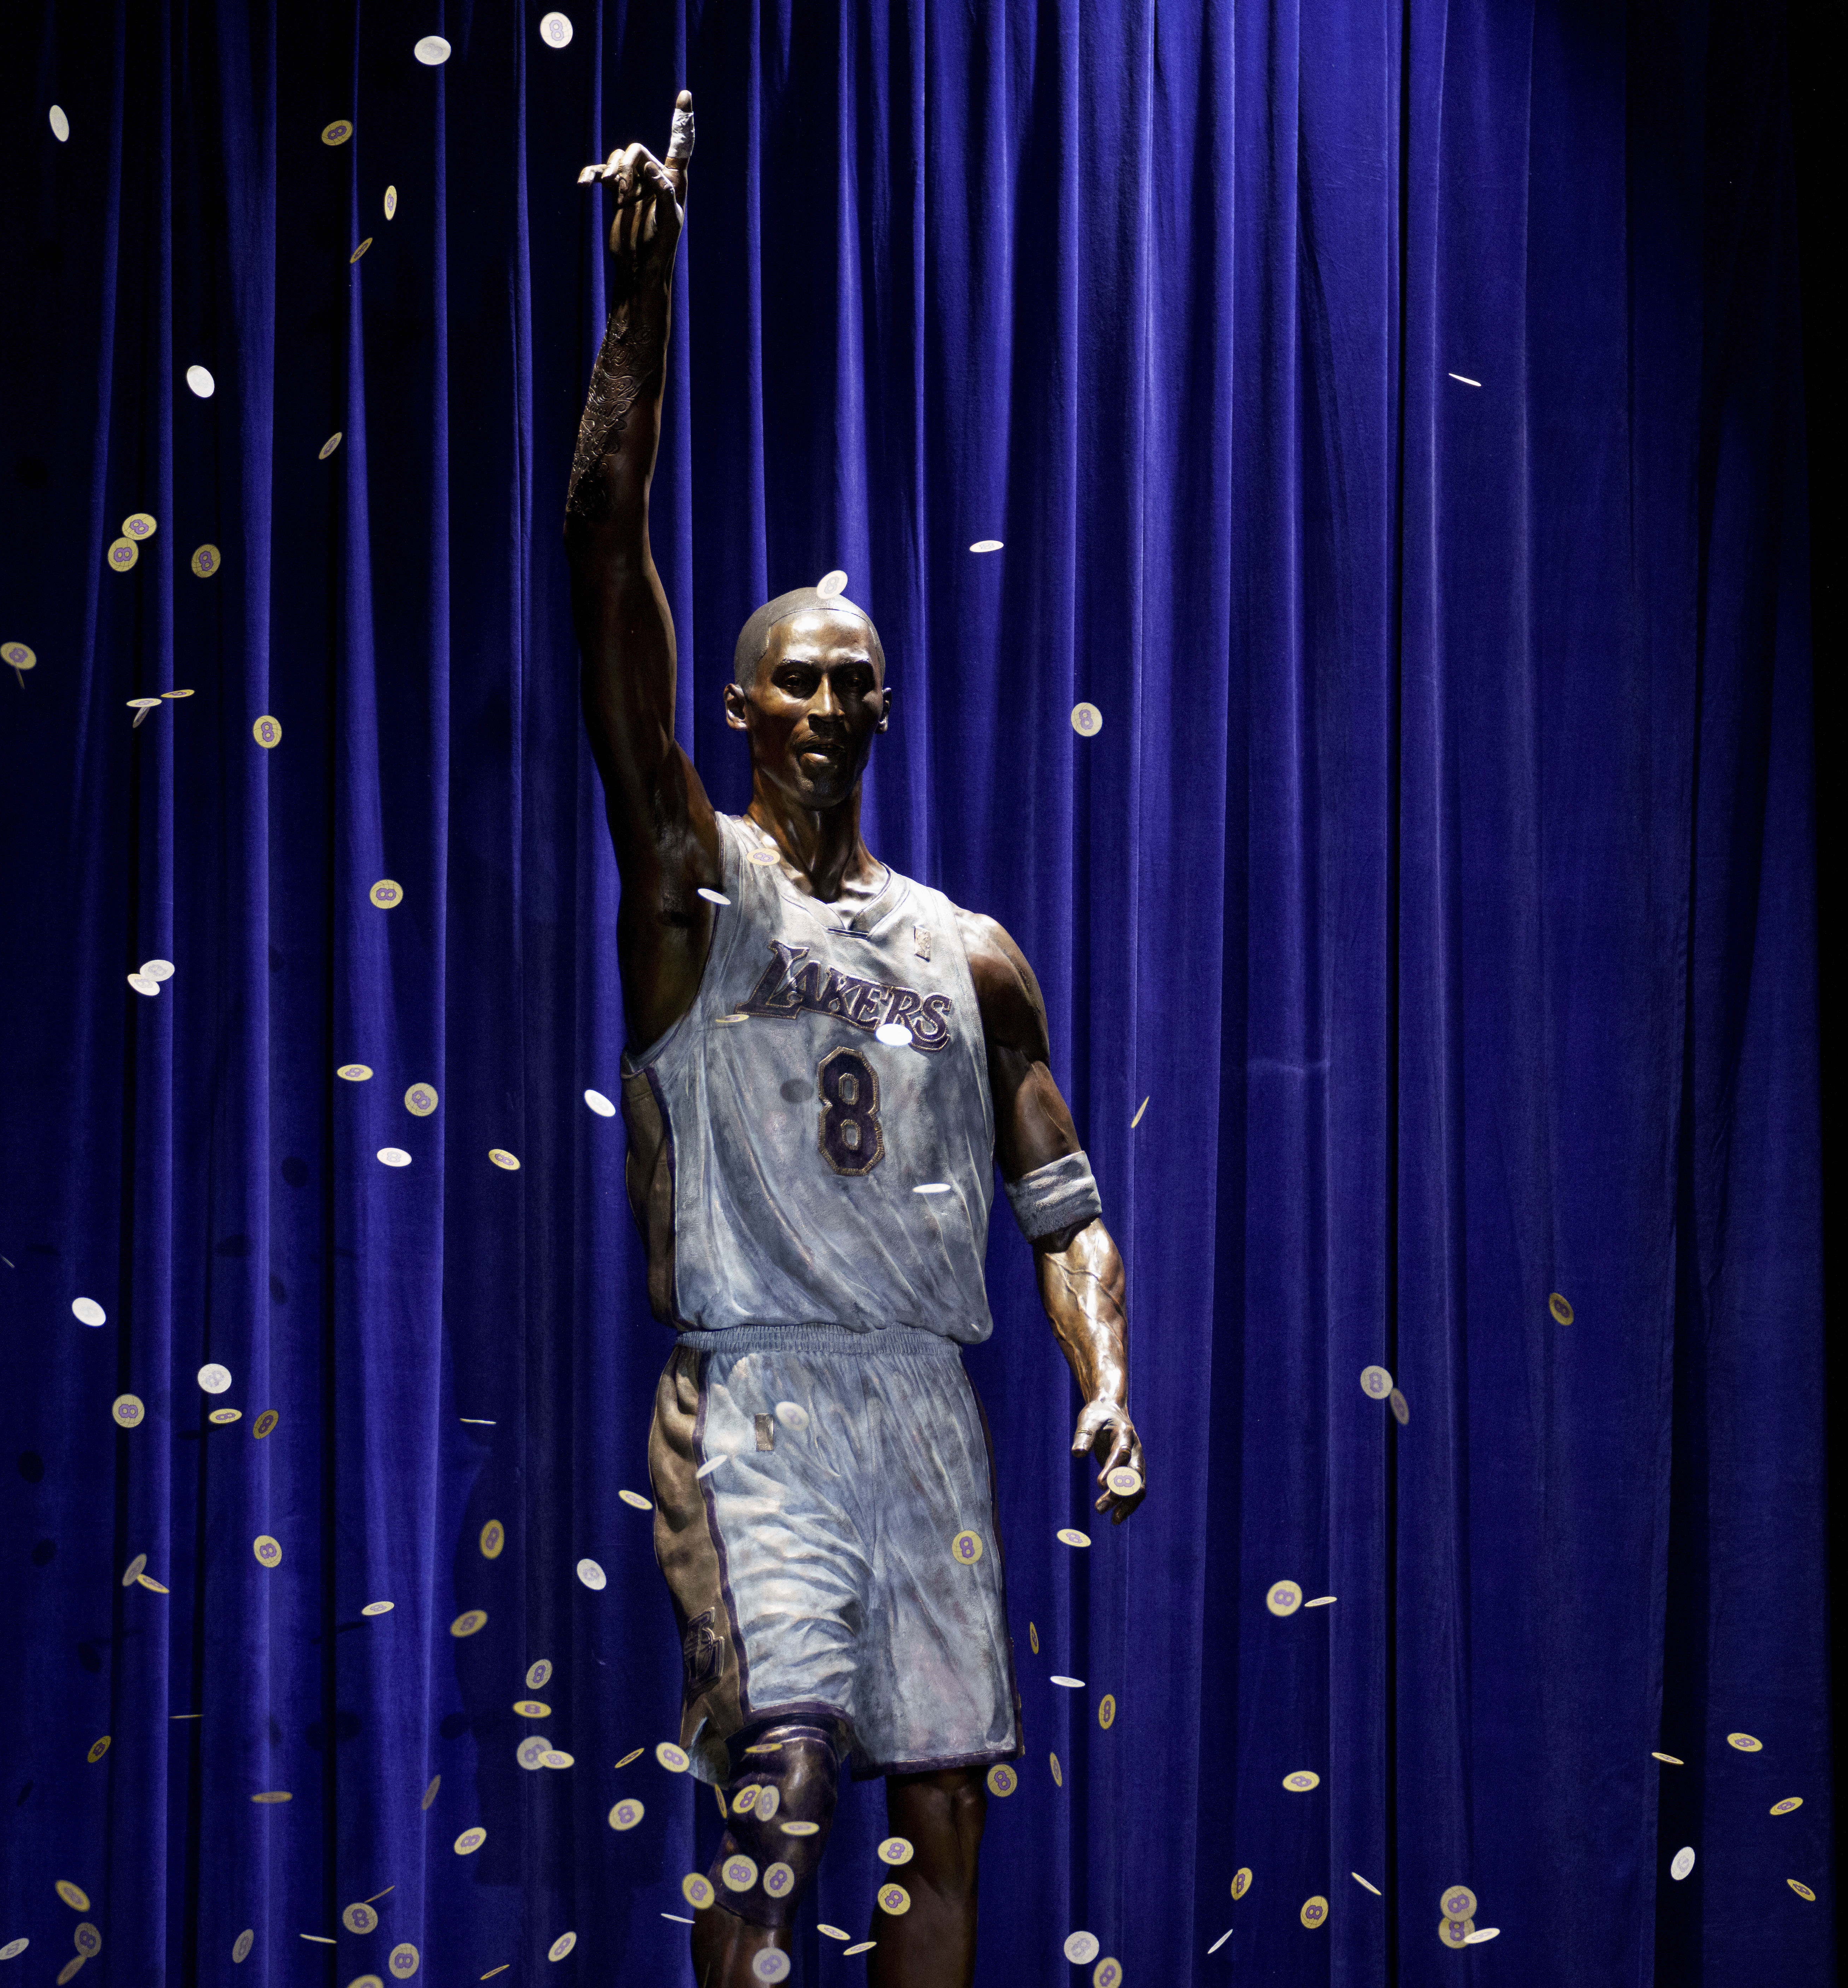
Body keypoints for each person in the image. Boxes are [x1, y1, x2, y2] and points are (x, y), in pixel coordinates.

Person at [562, 93, 1148, 1988]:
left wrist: (1102, 1372)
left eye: (851, 677)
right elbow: (598, 551)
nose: (822, 699)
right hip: (758, 1403)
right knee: (784, 1784)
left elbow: (1058, 1200)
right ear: (736, 706)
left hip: (927, 1403)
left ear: (884, 706)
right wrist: (637, 314)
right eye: (791, 676)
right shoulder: (695, 881)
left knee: (945, 1818)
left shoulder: (970, 954)